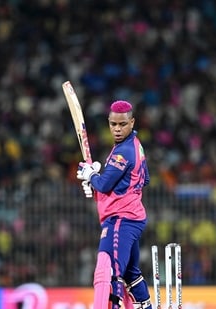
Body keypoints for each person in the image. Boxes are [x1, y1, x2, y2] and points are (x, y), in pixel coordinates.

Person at [77, 100, 152, 308]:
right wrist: (96, 184)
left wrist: (92, 177)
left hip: (121, 219)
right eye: (113, 124)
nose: (117, 129)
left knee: (112, 271)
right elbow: (143, 179)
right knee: (131, 273)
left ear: (132, 122)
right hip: (131, 217)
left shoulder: (122, 152)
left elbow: (104, 183)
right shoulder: (135, 146)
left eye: (123, 124)